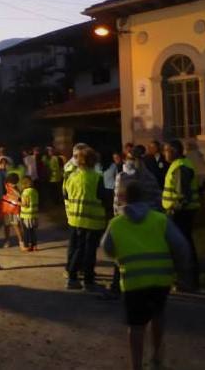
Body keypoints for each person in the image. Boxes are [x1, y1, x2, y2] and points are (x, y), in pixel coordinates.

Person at [101, 181, 193, 370]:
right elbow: (181, 246)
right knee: (157, 316)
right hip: (161, 280)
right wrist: (181, 271)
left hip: (134, 281)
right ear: (144, 197)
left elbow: (107, 248)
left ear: (124, 198)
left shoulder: (116, 224)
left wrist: (120, 256)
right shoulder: (160, 219)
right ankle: (156, 359)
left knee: (136, 326)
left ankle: (137, 366)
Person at [101, 147, 162, 300]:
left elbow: (117, 203)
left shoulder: (122, 177)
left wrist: (117, 220)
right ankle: (146, 286)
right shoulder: (150, 177)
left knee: (122, 258)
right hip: (148, 222)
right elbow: (157, 201)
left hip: (127, 221)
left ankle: (117, 288)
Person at [63, 147, 106, 291]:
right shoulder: (97, 178)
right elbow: (103, 197)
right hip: (93, 219)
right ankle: (88, 281)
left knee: (78, 249)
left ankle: (72, 278)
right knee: (90, 251)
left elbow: (66, 195)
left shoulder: (72, 176)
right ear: (93, 161)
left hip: (75, 218)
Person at [162, 140, 201, 290]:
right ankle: (187, 280)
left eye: (167, 150)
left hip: (180, 214)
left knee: (182, 247)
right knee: (184, 245)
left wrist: (174, 210)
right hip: (181, 212)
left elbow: (182, 195)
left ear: (174, 151)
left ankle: (187, 281)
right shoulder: (180, 165)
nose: (165, 153)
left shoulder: (180, 167)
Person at [0, 172, 24, 249]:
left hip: (14, 210)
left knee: (16, 225)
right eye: (12, 183)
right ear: (8, 182)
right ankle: (7, 241)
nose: (13, 185)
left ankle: (21, 241)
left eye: (15, 183)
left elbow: (18, 197)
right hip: (6, 210)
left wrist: (14, 194)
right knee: (6, 226)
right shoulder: (4, 186)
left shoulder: (16, 189)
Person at [19, 176, 39, 251]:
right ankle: (35, 245)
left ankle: (26, 246)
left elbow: (25, 204)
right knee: (33, 231)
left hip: (26, 215)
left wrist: (17, 203)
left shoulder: (25, 192)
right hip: (34, 214)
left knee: (26, 231)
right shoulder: (35, 191)